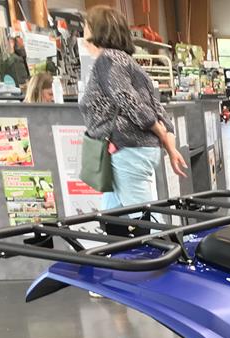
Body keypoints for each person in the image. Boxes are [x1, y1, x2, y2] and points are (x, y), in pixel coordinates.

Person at [79, 5, 186, 211]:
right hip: (129, 150)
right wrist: (169, 145)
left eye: (86, 27)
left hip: (126, 148)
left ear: (97, 29)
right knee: (113, 214)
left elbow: (128, 100)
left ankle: (159, 234)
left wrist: (159, 131)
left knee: (143, 216)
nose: (83, 34)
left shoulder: (108, 59)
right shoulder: (126, 62)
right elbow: (156, 108)